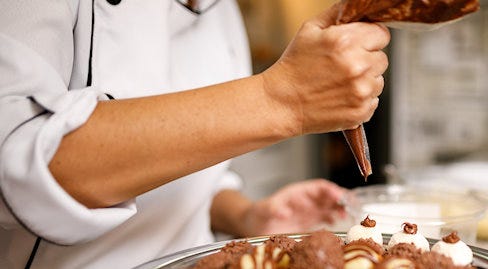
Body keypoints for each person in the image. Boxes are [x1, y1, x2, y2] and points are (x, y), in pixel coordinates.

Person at [0, 0, 390, 268]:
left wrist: (248, 216)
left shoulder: (221, 11)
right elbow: (17, 158)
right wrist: (283, 100)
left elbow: (190, 172)